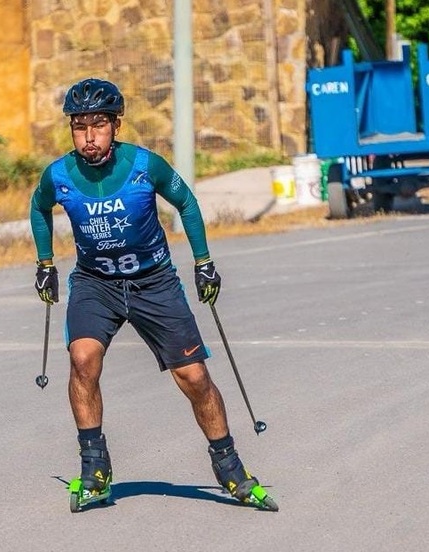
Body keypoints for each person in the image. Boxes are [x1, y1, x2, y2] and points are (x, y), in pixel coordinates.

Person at [29, 78, 275, 510]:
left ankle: (230, 468)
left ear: (116, 126)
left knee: (194, 377)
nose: (89, 136)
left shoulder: (145, 165)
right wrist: (45, 263)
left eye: (98, 125)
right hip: (95, 283)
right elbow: (38, 207)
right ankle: (95, 469)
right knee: (83, 359)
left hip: (154, 282)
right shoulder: (59, 175)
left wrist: (203, 262)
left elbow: (187, 203)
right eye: (80, 127)